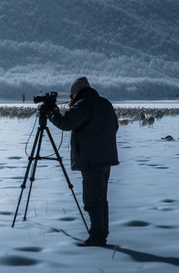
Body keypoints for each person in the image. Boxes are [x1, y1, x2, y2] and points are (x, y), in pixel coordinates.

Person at [47, 76, 119, 247]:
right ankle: (101, 233)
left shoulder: (84, 104)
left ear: (76, 93)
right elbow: (115, 126)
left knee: (92, 200)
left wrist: (52, 111)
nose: (71, 99)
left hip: (91, 159)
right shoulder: (105, 103)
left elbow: (65, 123)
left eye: (71, 96)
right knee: (101, 199)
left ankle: (97, 238)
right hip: (105, 158)